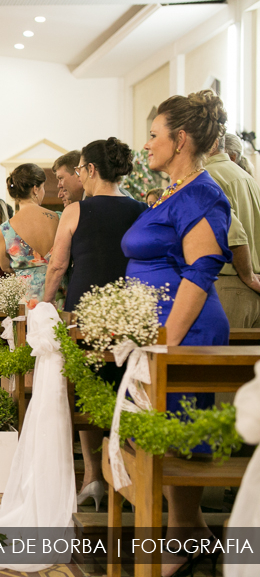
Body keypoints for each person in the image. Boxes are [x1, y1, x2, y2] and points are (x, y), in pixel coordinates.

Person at [122, 90, 233, 577]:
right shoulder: (171, 191)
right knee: (165, 435)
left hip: (185, 327)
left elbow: (202, 268)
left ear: (180, 138)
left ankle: (182, 537)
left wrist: (167, 335)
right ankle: (189, 534)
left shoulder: (202, 193)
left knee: (177, 437)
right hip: (160, 327)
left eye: (153, 135)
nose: (146, 145)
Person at [43, 138, 148, 511]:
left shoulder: (76, 211)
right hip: (127, 311)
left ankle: (92, 477)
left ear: (89, 170)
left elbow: (57, 265)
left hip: (85, 310)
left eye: (81, 169)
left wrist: (43, 304)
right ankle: (130, 477)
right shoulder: (140, 209)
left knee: (86, 391)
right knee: (126, 391)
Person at [206, 135, 260, 328]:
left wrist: (248, 275)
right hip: (253, 291)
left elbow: (234, 234)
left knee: (219, 357)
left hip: (228, 285)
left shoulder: (208, 175)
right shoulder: (247, 177)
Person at [0, 163, 61, 308]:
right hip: (57, 298)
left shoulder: (6, 230)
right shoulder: (58, 219)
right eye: (43, 187)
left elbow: (5, 266)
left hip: (27, 304)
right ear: (35, 189)